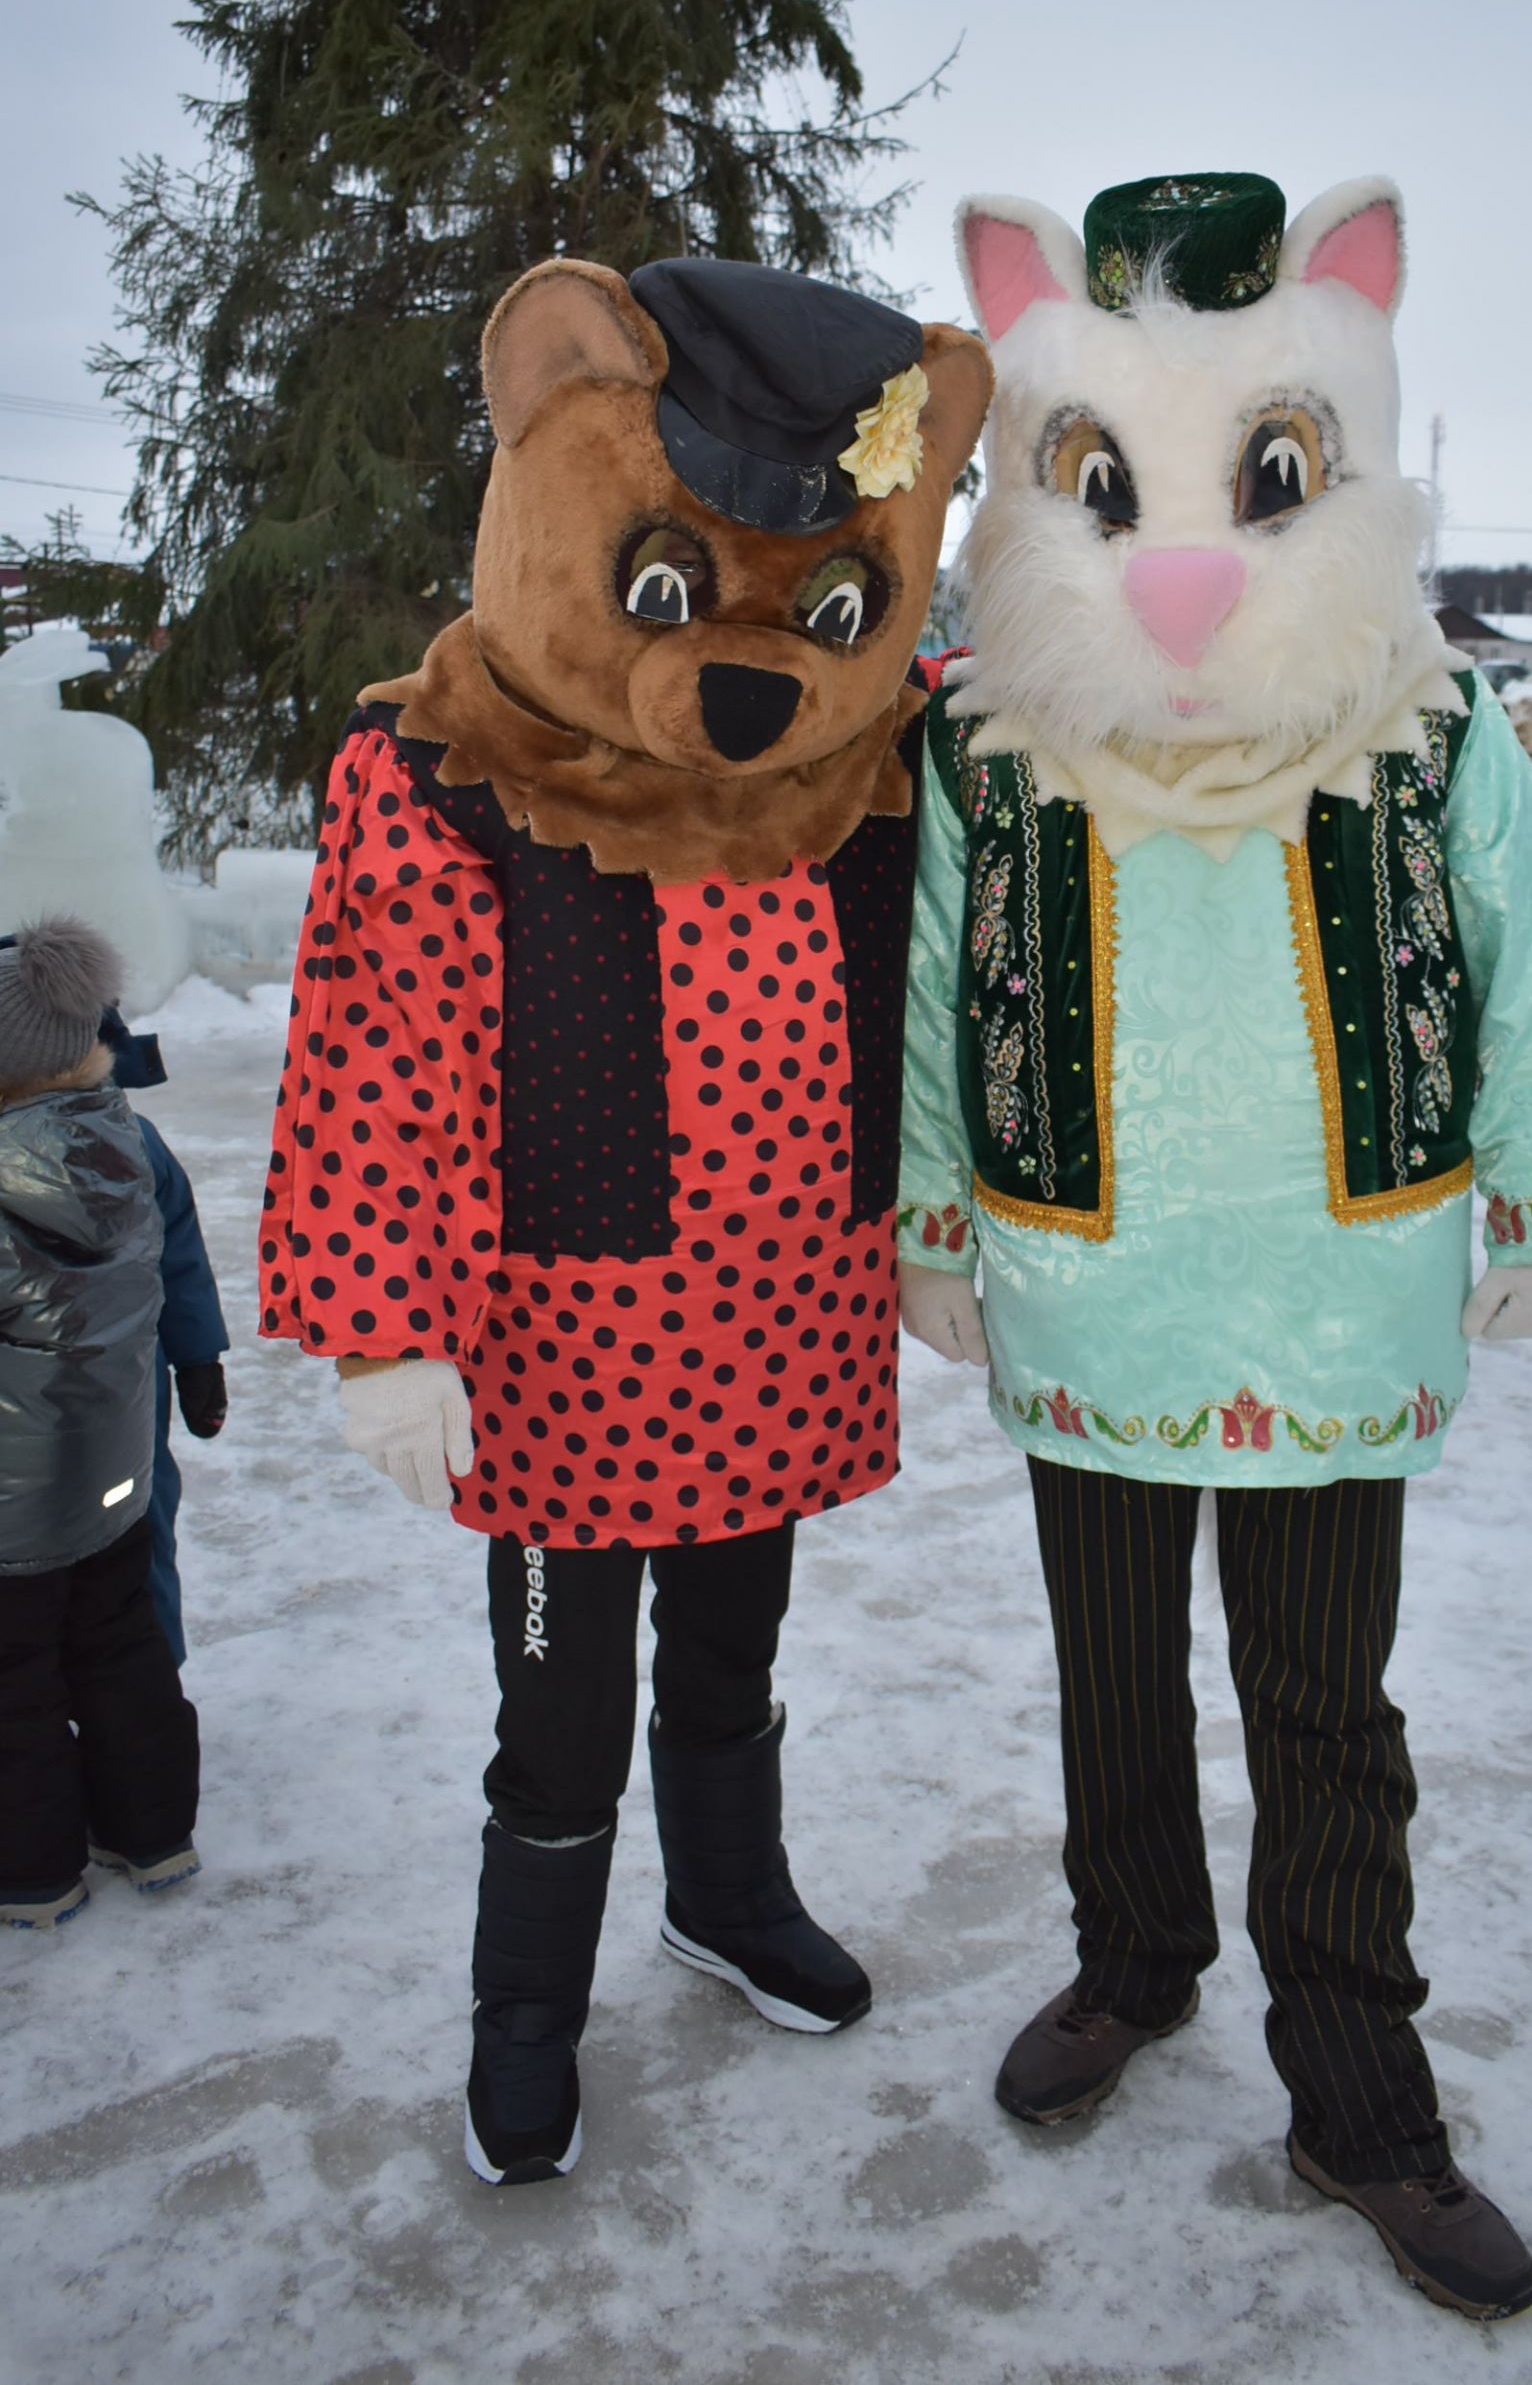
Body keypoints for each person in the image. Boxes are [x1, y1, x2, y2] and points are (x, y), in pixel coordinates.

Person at [902, 170, 1532, 2325]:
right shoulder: (998, 745)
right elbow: (925, 986)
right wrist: (941, 1220)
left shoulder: (1425, 723)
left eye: (1258, 482)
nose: (1179, 568)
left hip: (1335, 1299)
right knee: (1108, 1669)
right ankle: (1133, 1957)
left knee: (1325, 1703)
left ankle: (1360, 2091)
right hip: (1090, 1282)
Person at [262, 254, 992, 2185]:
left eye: (816, 606)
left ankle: (729, 1895)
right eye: (677, 588)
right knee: (561, 1701)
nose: (749, 665)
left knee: (736, 1643)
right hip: (555, 1355)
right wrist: (383, 1322)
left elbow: (922, 1022)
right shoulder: (453, 776)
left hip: (774, 1322)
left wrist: (929, 1221)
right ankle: (526, 2008)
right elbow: (378, 1051)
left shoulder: (873, 776)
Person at [0, 918, 199, 1929]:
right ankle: (153, 1831)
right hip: (117, 1476)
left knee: (14, 1683)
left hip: (12, 1511)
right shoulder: (128, 1139)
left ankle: (34, 1872)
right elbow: (178, 1262)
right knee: (121, 1650)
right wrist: (200, 1359)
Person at [101, 1005, 229, 1666]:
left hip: (125, 1401)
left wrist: (198, 1357)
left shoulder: (133, 1141)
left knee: (136, 1530)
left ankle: (150, 1682)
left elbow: (178, 1250)